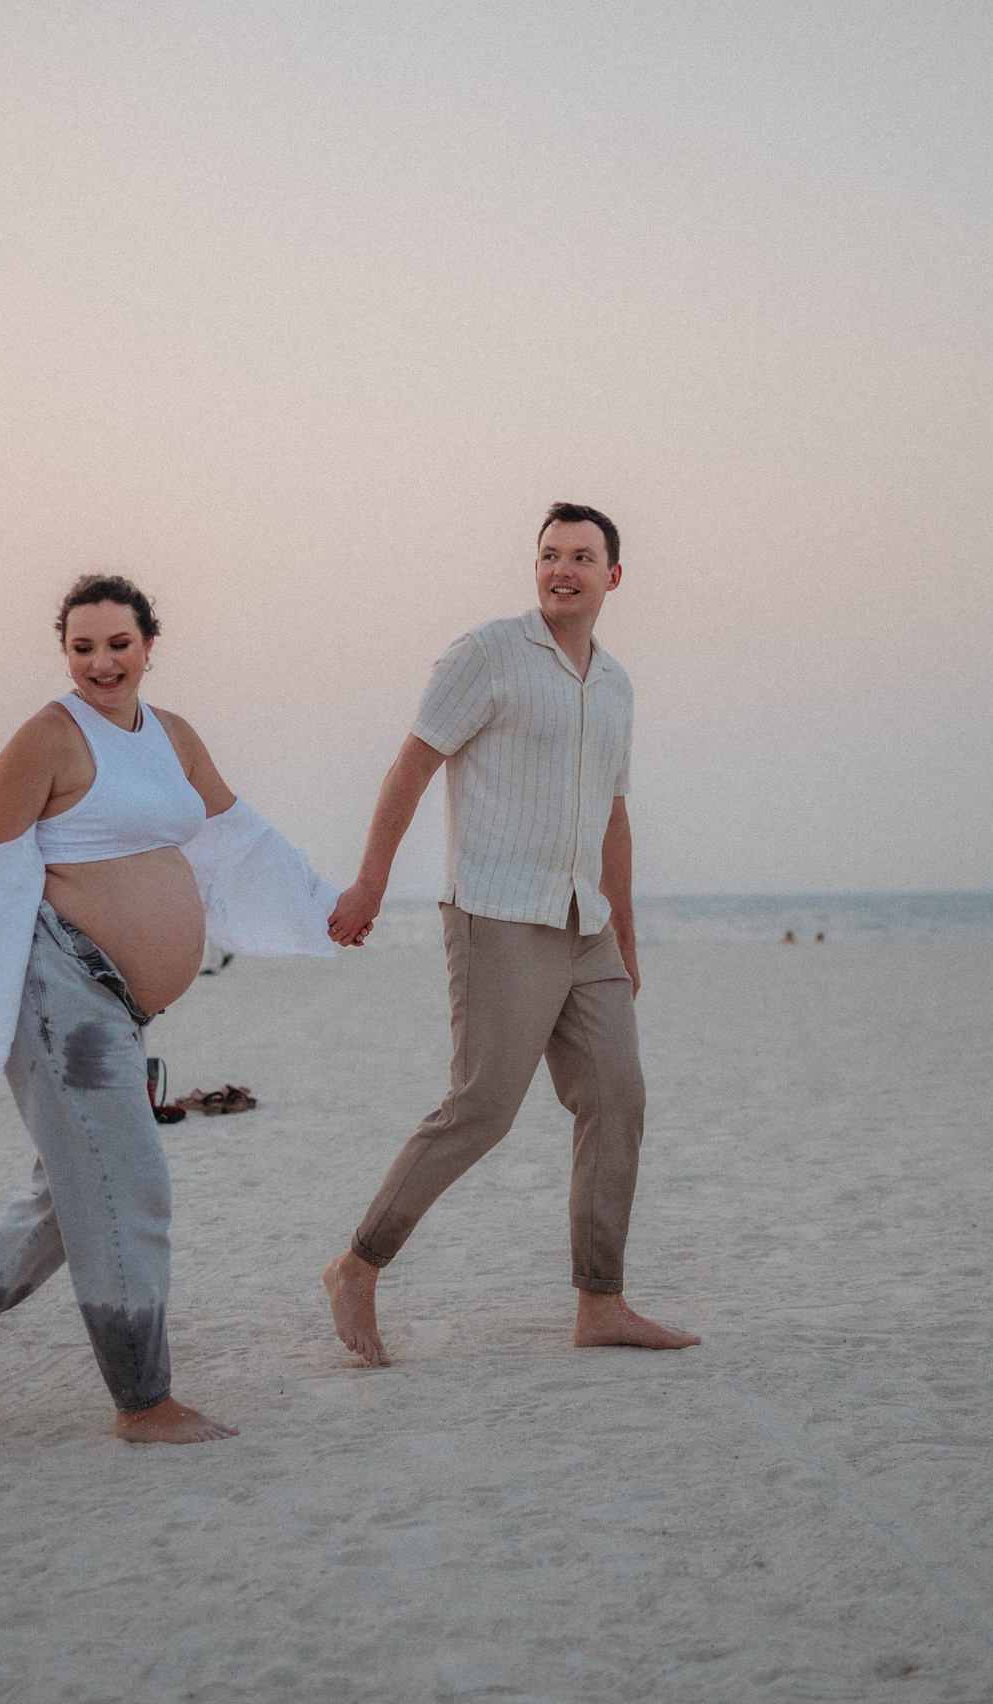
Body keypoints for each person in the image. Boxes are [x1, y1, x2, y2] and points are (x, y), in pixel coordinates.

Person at [0, 574, 338, 1443]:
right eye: (82, 648)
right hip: (58, 990)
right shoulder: (45, 740)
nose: (100, 662)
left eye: (117, 644)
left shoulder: (173, 738)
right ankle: (142, 1401)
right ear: (66, 653)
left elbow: (241, 840)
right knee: (131, 1188)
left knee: (75, 1189)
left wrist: (330, 906)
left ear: (149, 645)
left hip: (120, 1008)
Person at [322, 502, 700, 1365]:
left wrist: (627, 936)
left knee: (618, 1096)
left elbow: (613, 815)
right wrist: (371, 884)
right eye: (548, 555)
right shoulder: (487, 654)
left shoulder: (615, 684)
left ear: (614, 575)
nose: (562, 569)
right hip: (497, 911)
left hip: (586, 924)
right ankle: (357, 1264)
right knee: (483, 1109)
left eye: (581, 556)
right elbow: (413, 764)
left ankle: (600, 1302)